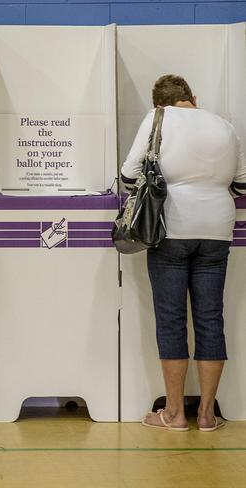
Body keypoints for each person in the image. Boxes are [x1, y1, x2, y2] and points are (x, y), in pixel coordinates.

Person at [121, 75, 246, 432]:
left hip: (171, 230)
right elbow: (242, 183)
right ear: (193, 97)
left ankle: (174, 413)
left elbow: (129, 174)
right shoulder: (224, 125)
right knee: (210, 318)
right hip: (218, 231)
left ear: (159, 102)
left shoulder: (157, 118)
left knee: (171, 318)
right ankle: (207, 414)